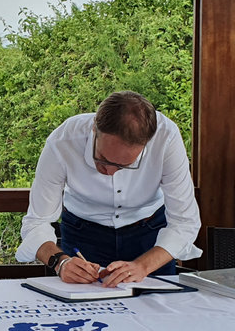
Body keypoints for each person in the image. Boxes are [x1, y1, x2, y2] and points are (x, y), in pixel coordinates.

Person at [15, 91, 202, 287]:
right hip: (83, 234)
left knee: (157, 311)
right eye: (102, 159)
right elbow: (36, 222)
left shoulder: (166, 138)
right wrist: (60, 262)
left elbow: (184, 221)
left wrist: (143, 266)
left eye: (125, 165)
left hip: (150, 236)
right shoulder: (63, 141)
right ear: (94, 128)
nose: (111, 172)